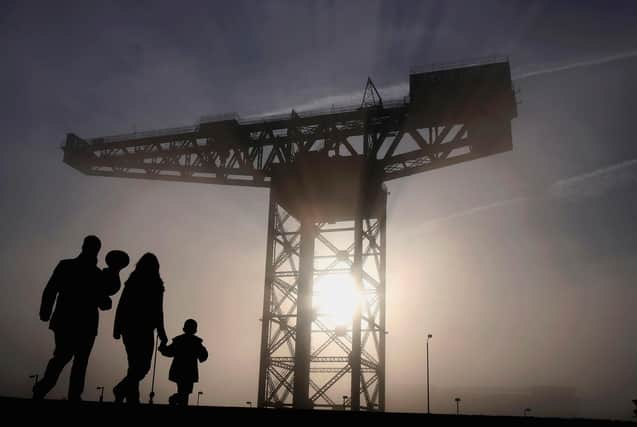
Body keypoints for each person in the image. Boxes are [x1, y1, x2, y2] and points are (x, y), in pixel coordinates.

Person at [33, 235, 125, 401]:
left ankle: (60, 392)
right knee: (66, 357)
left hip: (78, 321)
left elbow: (106, 296)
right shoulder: (72, 267)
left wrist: (114, 272)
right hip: (74, 320)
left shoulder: (90, 272)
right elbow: (52, 288)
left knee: (73, 360)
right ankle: (48, 389)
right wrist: (45, 309)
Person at [112, 253, 167, 403]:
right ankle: (121, 389)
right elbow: (158, 311)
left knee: (135, 365)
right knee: (142, 367)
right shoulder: (155, 284)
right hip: (143, 330)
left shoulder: (133, 281)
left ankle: (132, 398)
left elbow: (122, 305)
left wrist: (117, 327)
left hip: (129, 329)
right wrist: (162, 334)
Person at [159, 319, 208, 406]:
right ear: (195, 330)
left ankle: (176, 399)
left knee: (183, 391)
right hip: (190, 371)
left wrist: (162, 347)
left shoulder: (179, 340)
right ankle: (176, 399)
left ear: (184, 329)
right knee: (186, 391)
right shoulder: (196, 342)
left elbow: (168, 352)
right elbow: (204, 356)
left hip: (179, 370)